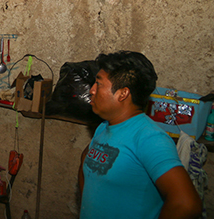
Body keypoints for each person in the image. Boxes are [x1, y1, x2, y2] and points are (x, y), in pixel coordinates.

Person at [79, 51, 202, 219]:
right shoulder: (104, 127)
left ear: (123, 93)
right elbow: (86, 159)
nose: (92, 90)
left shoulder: (150, 138)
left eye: (99, 84)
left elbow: (186, 204)